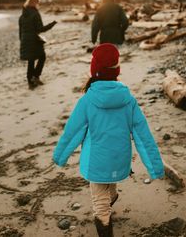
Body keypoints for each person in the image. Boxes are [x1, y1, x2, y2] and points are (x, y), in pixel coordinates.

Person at [52, 43, 165, 237]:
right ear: (116, 72)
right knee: (110, 185)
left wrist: (60, 156)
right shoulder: (128, 99)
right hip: (119, 159)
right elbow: (142, 135)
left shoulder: (87, 100)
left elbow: (73, 131)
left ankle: (105, 225)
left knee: (100, 203)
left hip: (96, 162)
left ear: (94, 71)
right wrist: (155, 167)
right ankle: (111, 197)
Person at [19, 0, 56, 89]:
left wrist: (22, 40)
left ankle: (30, 81)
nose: (38, 5)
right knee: (42, 57)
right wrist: (52, 24)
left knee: (31, 60)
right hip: (34, 40)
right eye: (38, 3)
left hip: (24, 39)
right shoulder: (35, 14)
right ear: (34, 3)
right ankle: (35, 77)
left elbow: (20, 31)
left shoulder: (22, 15)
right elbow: (40, 29)